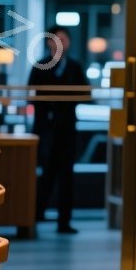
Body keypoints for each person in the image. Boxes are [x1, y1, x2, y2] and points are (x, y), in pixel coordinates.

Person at [29, 26, 88, 234]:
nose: (61, 43)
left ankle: (64, 221)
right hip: (46, 129)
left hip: (67, 128)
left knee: (66, 175)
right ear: (49, 42)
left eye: (64, 39)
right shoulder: (40, 66)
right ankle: (35, 215)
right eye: (57, 39)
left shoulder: (74, 66)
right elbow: (32, 96)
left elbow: (85, 92)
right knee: (46, 173)